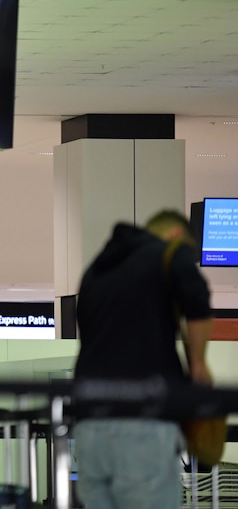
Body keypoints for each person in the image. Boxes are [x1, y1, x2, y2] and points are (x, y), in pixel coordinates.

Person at [73, 210, 214, 509]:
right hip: (142, 423)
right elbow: (198, 301)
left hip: (88, 427)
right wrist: (198, 365)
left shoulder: (94, 271)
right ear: (176, 236)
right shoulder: (169, 253)